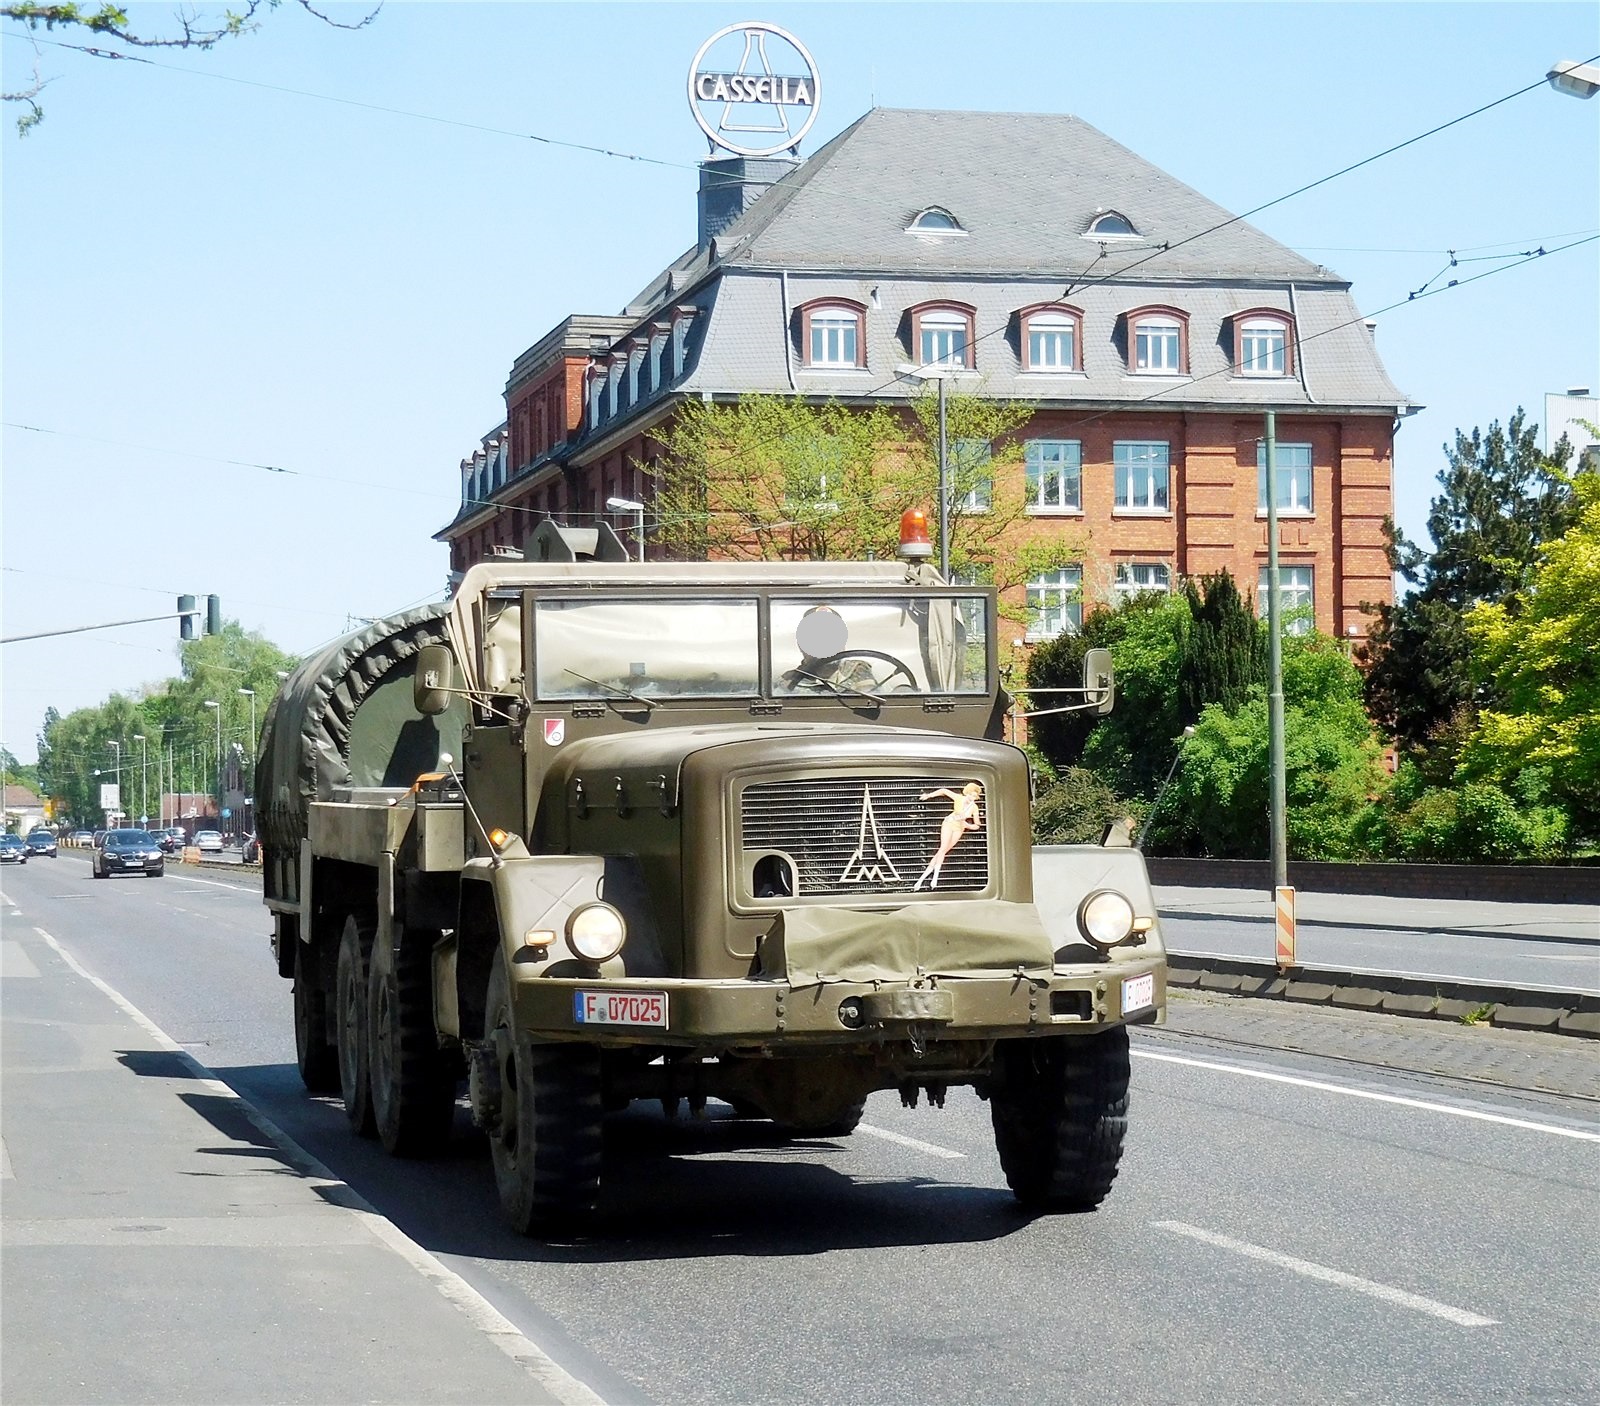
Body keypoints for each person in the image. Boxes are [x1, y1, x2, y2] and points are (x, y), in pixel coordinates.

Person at [913, 781, 983, 890]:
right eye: (970, 794)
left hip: (960, 828)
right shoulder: (958, 798)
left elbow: (977, 825)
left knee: (943, 851)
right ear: (966, 793)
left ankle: (921, 880)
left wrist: (967, 825)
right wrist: (929, 795)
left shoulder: (974, 808)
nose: (971, 797)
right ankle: (934, 878)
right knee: (942, 848)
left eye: (974, 796)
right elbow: (944, 791)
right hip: (949, 823)